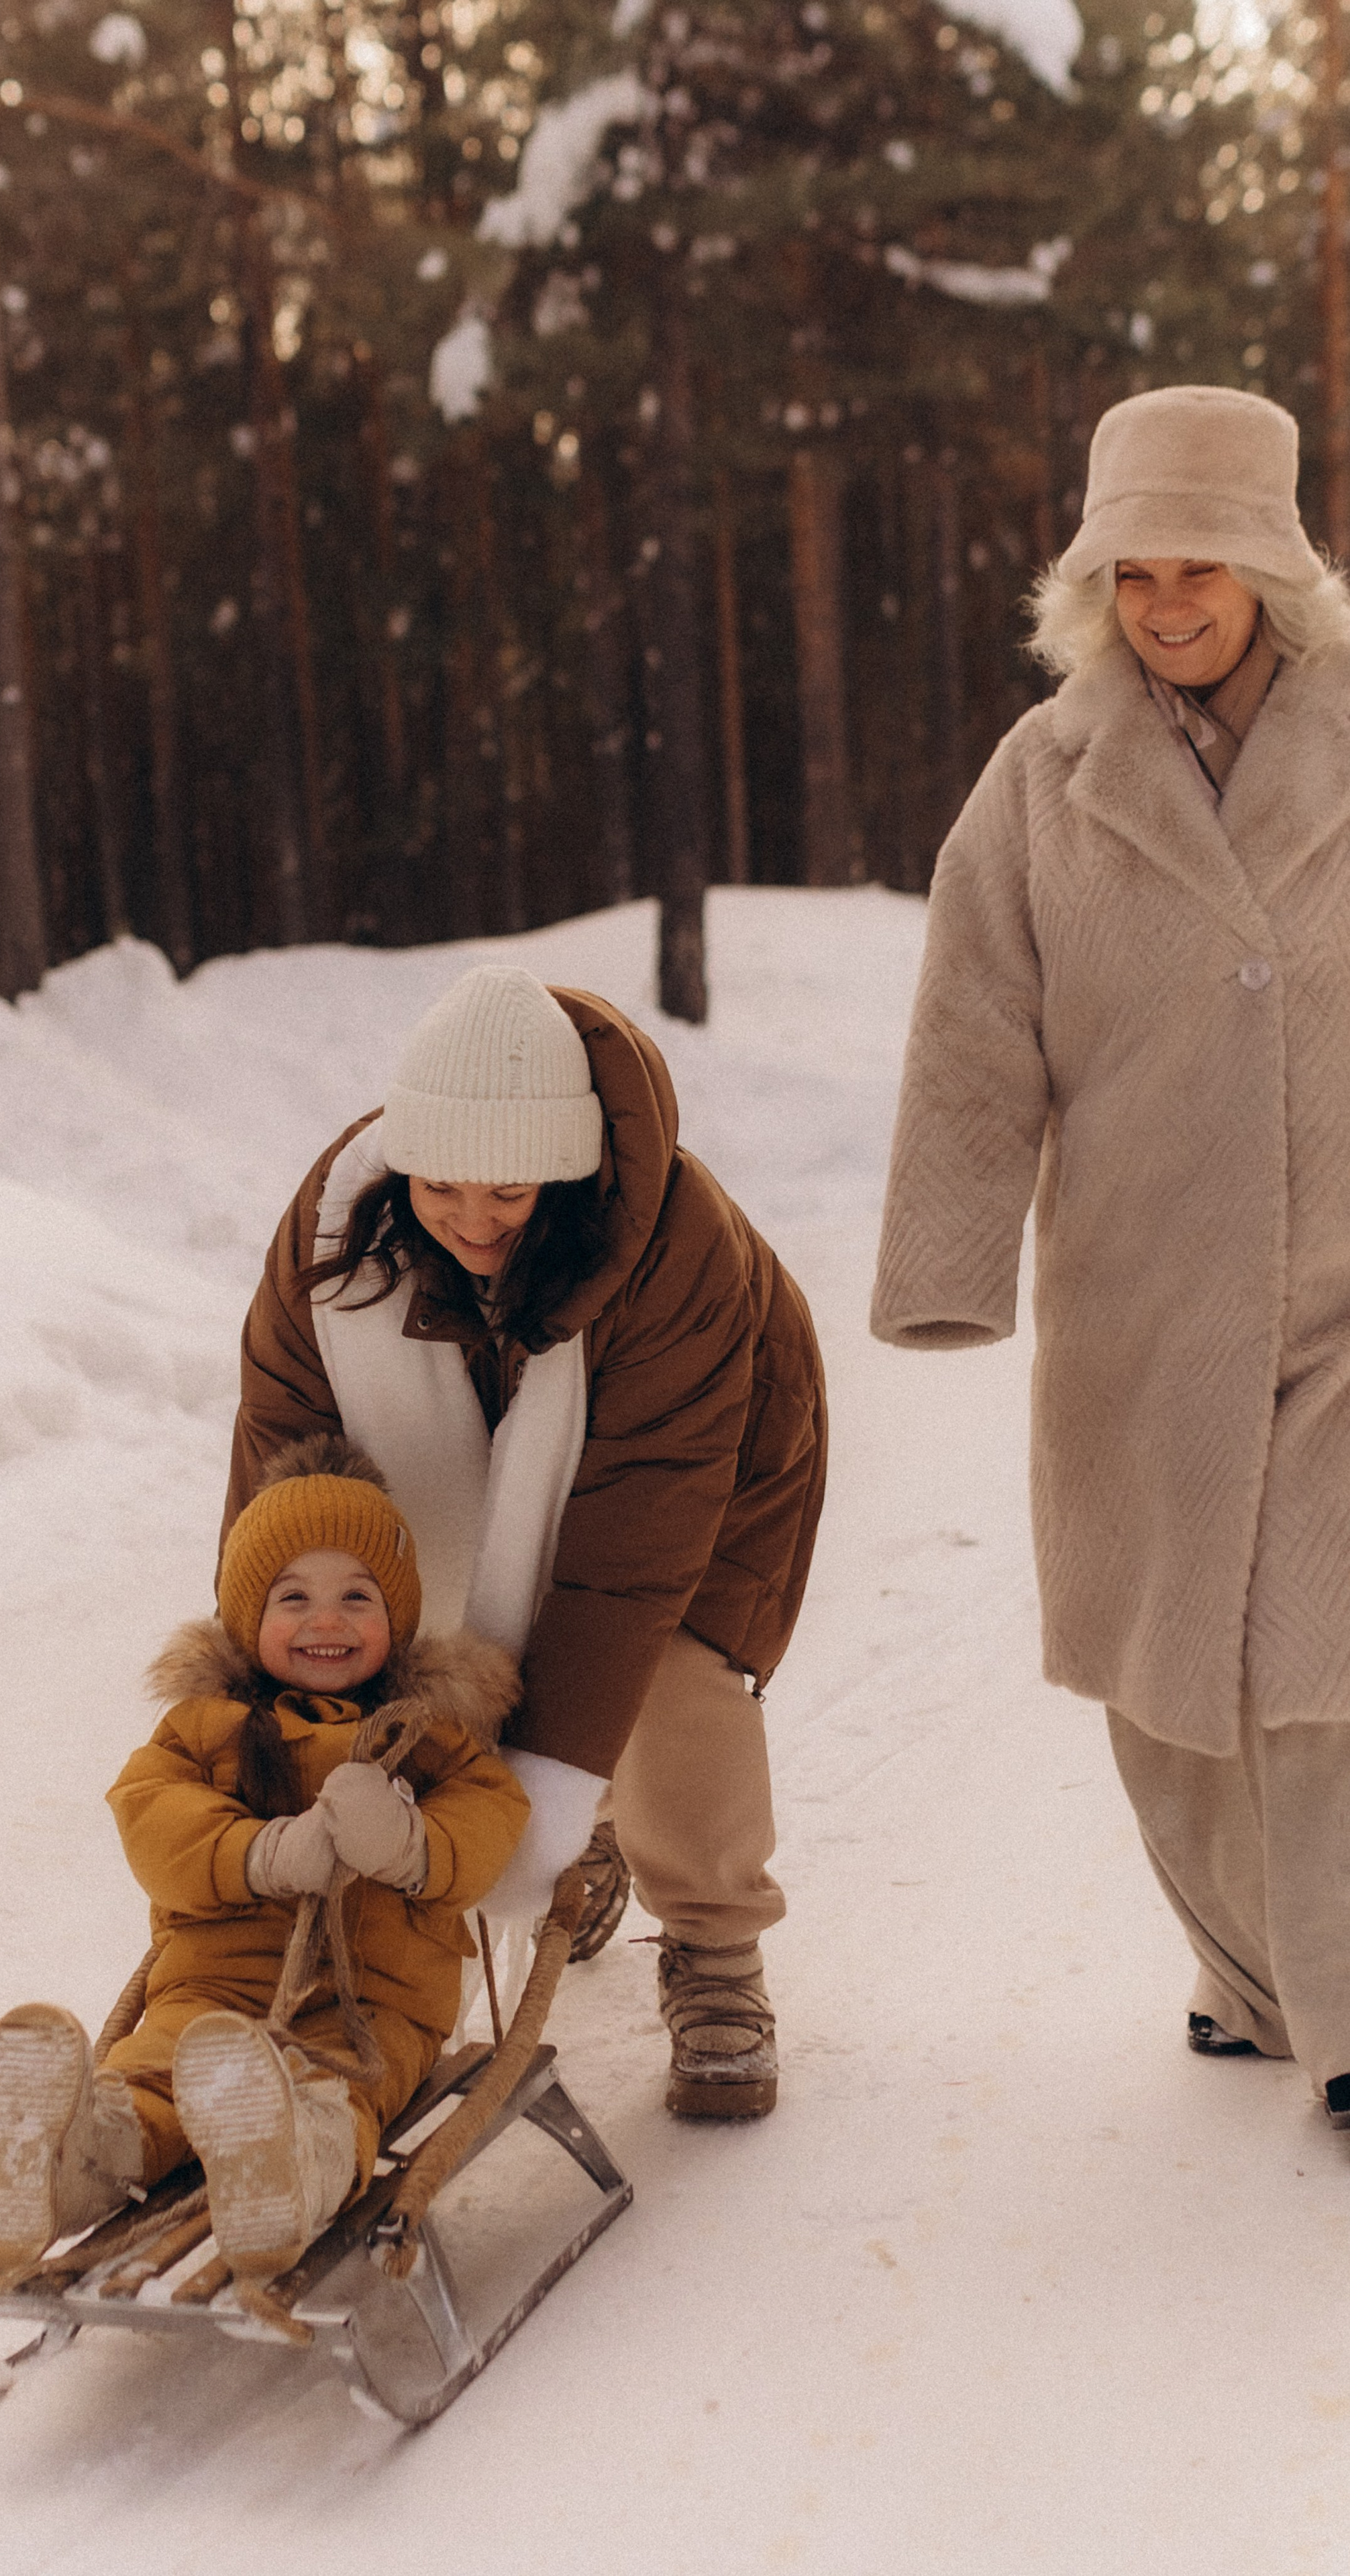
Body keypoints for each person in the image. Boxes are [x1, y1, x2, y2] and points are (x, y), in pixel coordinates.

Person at [872, 384, 1350, 2129]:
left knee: (1318, 1672)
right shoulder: (1046, 776)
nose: (1168, 603)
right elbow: (976, 1032)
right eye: (1137, 570)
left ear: (1271, 569)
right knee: (1171, 1681)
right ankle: (1243, 1978)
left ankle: (1345, 2011)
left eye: (1202, 567)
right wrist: (950, 1257)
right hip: (1141, 1308)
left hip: (1338, 1300)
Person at [226, 963, 827, 2118]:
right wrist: (270, 1720)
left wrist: (536, 1796)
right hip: (496, 1421)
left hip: (718, 1456)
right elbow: (281, 1498)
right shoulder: (331, 1245)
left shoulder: (675, 1252)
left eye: (508, 1192)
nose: (470, 1218)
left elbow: (621, 1570)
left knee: (669, 1674)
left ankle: (711, 1946)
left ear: (570, 1171)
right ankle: (582, 1839)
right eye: (440, 1186)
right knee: (387, 1628)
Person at [0, 1438, 528, 2290]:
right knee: (150, 2070)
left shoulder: (426, 1734)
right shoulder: (204, 1726)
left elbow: (491, 1818)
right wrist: (258, 1854)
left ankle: (287, 2172)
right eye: (292, 1597)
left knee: (335, 2098)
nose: (325, 1621)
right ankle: (69, 2157)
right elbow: (151, 1814)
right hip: (209, 1987)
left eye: (356, 1597)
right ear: (245, 1614)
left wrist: (411, 1847)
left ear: (398, 1616)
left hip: (369, 2006)